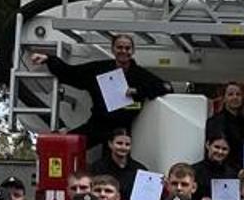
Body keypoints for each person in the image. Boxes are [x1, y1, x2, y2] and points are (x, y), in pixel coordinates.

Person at [29, 33, 172, 149]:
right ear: (113, 49)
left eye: (127, 48)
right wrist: (48, 59)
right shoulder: (98, 70)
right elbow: (71, 73)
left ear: (132, 51)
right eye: (119, 47)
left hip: (123, 130)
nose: (123, 51)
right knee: (64, 146)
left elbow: (166, 87)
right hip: (98, 125)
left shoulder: (141, 75)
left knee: (115, 166)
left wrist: (138, 91)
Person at [89, 127, 147, 196]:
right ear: (110, 144)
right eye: (119, 143)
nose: (123, 147)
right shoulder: (97, 167)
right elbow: (92, 193)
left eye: (127, 144)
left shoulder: (140, 169)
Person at [191, 136, 238, 200]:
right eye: (216, 147)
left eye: (224, 149)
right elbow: (185, 196)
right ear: (207, 145)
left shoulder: (233, 174)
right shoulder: (193, 171)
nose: (220, 151)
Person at [203, 81, 244, 152]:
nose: (235, 97)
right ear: (224, 98)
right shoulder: (215, 122)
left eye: (238, 94)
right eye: (230, 94)